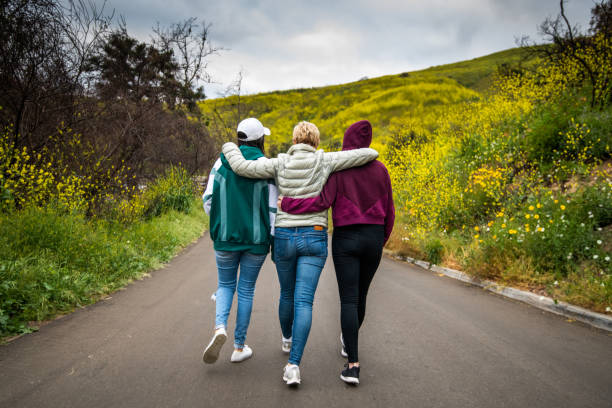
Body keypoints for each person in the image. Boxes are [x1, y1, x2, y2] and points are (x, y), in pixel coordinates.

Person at [221, 121, 378, 385]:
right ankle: (293, 365)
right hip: (315, 234)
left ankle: (286, 339)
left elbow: (242, 167)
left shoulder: (279, 162)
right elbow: (368, 154)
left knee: (287, 294)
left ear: (294, 141)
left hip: (284, 235)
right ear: (315, 141)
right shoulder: (325, 160)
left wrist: (228, 145)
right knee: (304, 301)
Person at [279, 120, 395, 385]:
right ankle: (348, 343)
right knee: (361, 296)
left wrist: (288, 204)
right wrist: (380, 240)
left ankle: (352, 365)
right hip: (373, 237)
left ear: (348, 140)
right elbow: (390, 212)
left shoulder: (340, 170)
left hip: (346, 239)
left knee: (349, 300)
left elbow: (321, 202)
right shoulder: (381, 170)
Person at [201, 117, 278, 364]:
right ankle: (239, 346)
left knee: (225, 285)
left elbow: (208, 201)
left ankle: (219, 327)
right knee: (246, 290)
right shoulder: (266, 166)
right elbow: (272, 209)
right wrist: (273, 237)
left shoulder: (220, 163)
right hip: (256, 241)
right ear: (260, 139)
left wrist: (224, 220)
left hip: (225, 239)